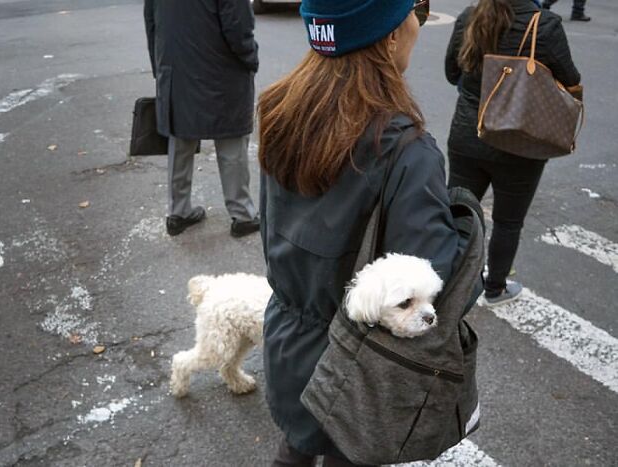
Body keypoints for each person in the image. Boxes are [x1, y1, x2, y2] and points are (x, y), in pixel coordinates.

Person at [258, 0, 462, 464]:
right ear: (389, 34)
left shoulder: (282, 109)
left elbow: (270, 227)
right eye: (418, 8)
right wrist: (466, 232)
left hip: (289, 340)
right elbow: (426, 286)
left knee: (297, 444)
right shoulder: (406, 152)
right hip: (356, 364)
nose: (419, 21)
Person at [445, 0, 581, 305]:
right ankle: (494, 288)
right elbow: (570, 79)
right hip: (520, 142)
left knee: (458, 212)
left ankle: (450, 283)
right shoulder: (543, 24)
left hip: (469, 133)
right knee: (508, 222)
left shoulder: (470, 16)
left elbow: (452, 73)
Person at [143, 0, 261, 237]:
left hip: (175, 69)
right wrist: (251, 58)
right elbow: (238, 27)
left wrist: (161, 68)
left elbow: (151, 23)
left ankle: (178, 212)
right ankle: (242, 214)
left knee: (180, 139)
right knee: (231, 140)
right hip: (222, 69)